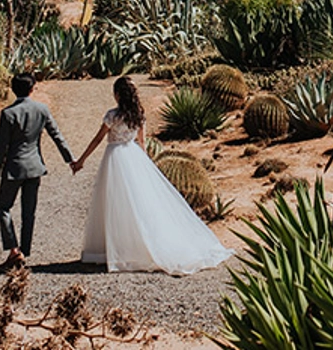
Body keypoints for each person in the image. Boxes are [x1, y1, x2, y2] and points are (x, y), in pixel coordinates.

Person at [70, 76, 233, 275]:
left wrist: (81, 160)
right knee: (139, 203)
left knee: (114, 203)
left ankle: (112, 249)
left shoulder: (112, 115)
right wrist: (144, 165)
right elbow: (142, 143)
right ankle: (134, 246)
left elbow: (97, 140)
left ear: (118, 94)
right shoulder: (139, 115)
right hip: (133, 156)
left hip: (114, 157)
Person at [0, 73, 79, 267]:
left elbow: (1, 147)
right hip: (34, 167)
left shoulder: (8, 114)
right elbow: (57, 135)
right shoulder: (42, 109)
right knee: (28, 212)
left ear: (13, 90)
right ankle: (23, 251)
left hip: (14, 168)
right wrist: (70, 159)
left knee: (3, 207)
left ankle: (14, 250)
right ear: (32, 89)